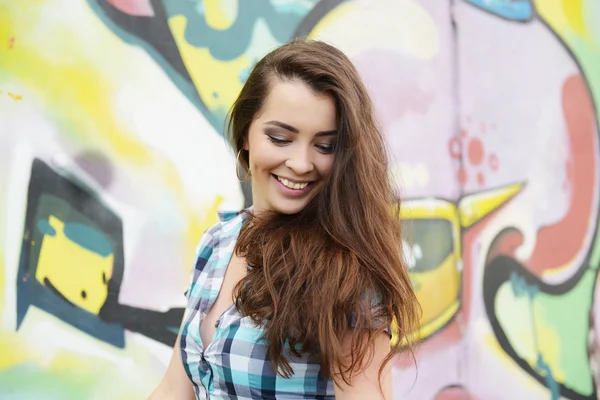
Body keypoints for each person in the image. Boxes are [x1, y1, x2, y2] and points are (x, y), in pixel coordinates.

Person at [149, 38, 420, 400]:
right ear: (246, 134)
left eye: (324, 145)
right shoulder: (217, 243)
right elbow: (173, 389)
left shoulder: (346, 274)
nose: (301, 163)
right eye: (280, 138)